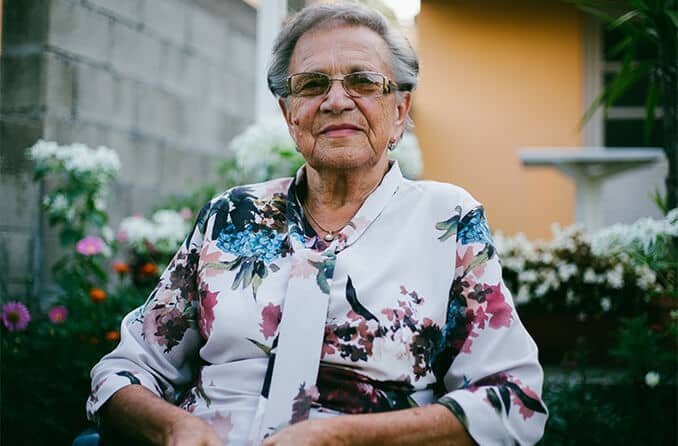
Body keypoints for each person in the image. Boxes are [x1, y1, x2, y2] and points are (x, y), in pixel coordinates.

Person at [87, 3, 548, 445]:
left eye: (363, 81)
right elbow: (124, 370)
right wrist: (173, 429)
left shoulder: (446, 221)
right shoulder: (231, 215)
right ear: (290, 116)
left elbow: (512, 398)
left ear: (400, 112)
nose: (335, 101)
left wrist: (344, 438)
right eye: (310, 85)